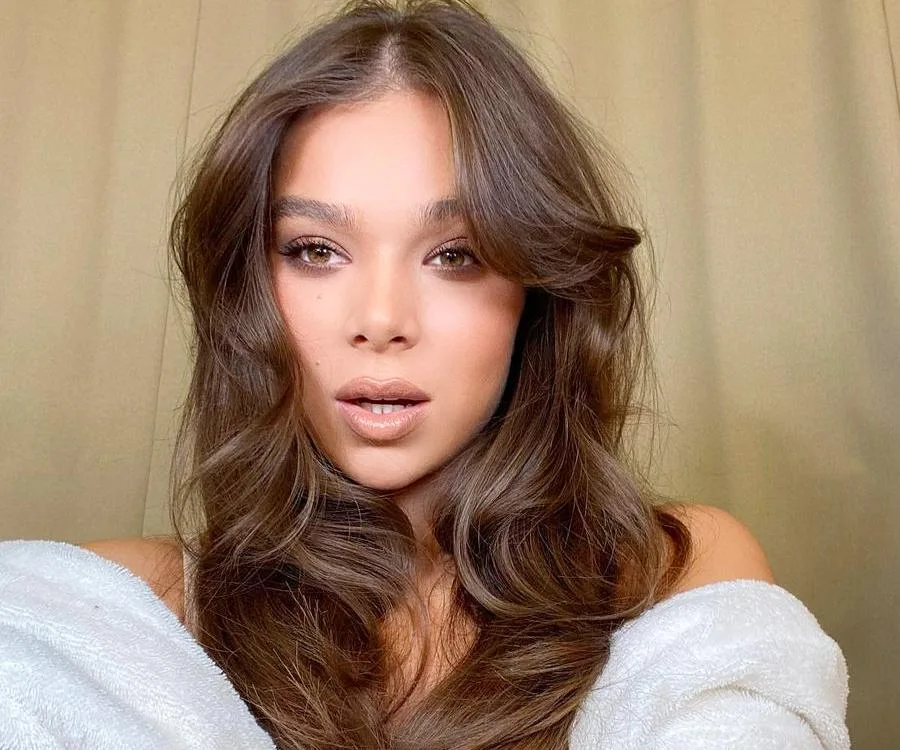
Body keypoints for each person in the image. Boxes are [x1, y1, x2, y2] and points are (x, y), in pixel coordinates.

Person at [0, 1, 849, 748]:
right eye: (315, 251)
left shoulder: (673, 575)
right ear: (250, 289)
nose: (380, 319)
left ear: (537, 290)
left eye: (455, 254)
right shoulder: (119, 612)